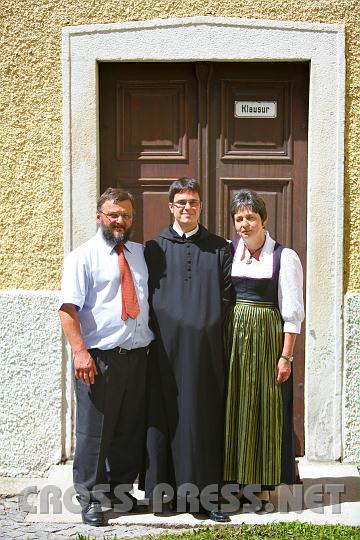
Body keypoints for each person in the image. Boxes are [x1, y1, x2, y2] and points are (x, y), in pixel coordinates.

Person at [58, 188, 154, 526]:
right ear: (100, 216)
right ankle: (89, 498)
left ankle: (120, 492)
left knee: (129, 428)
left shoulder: (141, 254)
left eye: (126, 215)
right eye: (114, 214)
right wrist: (80, 352)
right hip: (98, 359)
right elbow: (68, 309)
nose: (120, 220)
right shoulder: (81, 257)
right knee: (94, 432)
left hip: (138, 356)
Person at [142, 177, 234, 522]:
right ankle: (163, 493)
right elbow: (145, 295)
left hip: (206, 352)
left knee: (203, 420)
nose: (187, 208)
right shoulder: (153, 249)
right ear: (170, 206)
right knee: (166, 418)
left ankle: (206, 499)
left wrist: (206, 327)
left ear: (200, 206)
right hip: (164, 351)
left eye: (193, 202)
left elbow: (227, 296)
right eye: (181, 202)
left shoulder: (220, 248)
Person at [223, 189, 304, 510]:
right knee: (237, 408)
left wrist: (286, 355)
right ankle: (239, 482)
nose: (244, 225)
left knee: (265, 409)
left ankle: (264, 488)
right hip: (235, 339)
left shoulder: (284, 256)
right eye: (239, 219)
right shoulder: (230, 252)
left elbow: (293, 311)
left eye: (250, 218)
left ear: (263, 220)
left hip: (269, 337)